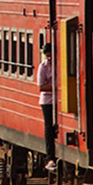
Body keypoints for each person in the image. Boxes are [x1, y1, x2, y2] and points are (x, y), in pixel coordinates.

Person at [37, 43, 57, 172]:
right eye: (47, 56)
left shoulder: (60, 64)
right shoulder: (42, 67)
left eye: (51, 55)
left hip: (57, 99)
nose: (49, 58)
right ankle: (50, 157)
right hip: (47, 101)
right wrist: (58, 88)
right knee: (49, 128)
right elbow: (41, 87)